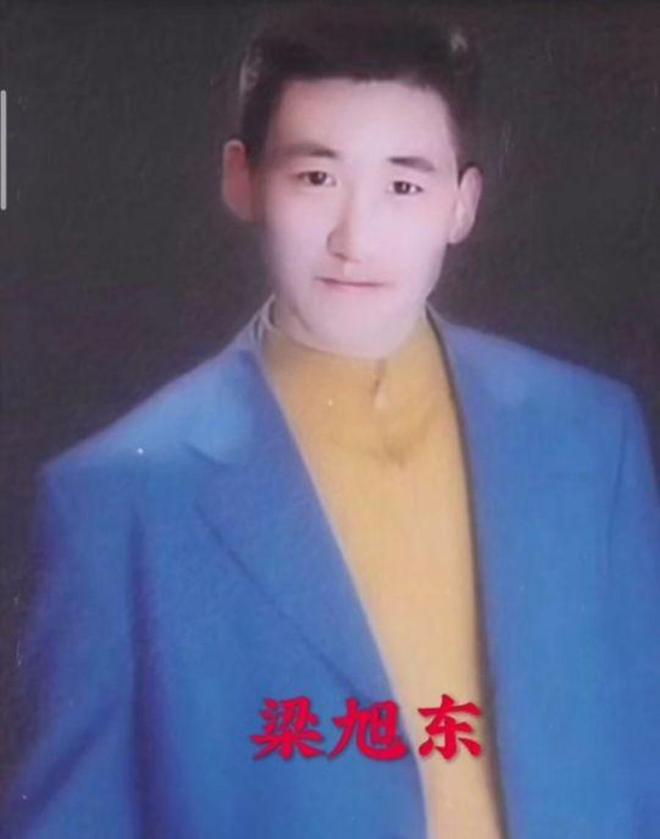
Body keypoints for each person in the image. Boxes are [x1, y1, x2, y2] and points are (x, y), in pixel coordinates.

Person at [3, 5, 659, 837]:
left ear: (462, 204)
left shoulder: (590, 434)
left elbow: (641, 756)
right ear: (242, 179)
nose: (357, 237)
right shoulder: (114, 498)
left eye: (404, 186)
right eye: (316, 178)